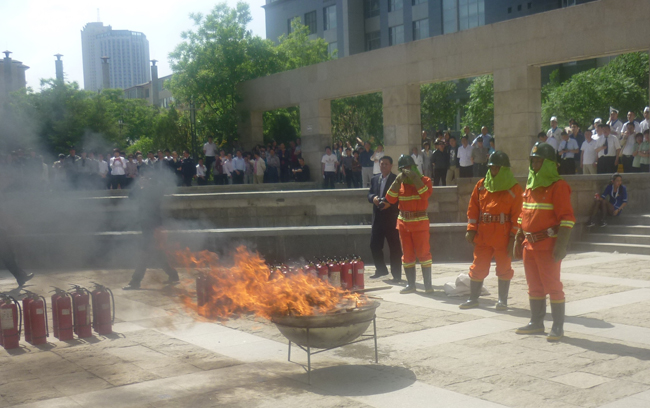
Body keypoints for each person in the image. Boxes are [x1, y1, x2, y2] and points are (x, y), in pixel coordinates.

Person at [513, 142, 575, 342]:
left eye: (539, 160)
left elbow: (567, 219)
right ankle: (536, 322)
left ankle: (557, 326)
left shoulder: (559, 187)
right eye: (533, 160)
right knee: (534, 285)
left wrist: (561, 245)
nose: (535, 164)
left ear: (549, 163)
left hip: (548, 245)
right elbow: (523, 214)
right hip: (529, 245)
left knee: (552, 285)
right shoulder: (530, 185)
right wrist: (518, 236)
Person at [461, 151, 522, 310]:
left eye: (496, 168)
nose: (493, 171)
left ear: (504, 169)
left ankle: (502, 301)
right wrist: (471, 229)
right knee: (478, 266)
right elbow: (473, 209)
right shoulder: (481, 185)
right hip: (483, 233)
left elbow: (518, 215)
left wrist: (513, 238)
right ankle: (473, 299)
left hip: (503, 234)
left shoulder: (514, 188)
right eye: (491, 168)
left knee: (504, 268)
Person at [384, 155, 433, 294]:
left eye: (408, 168)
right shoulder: (400, 183)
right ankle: (411, 285)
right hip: (404, 224)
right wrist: (396, 181)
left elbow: (425, 194)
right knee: (407, 256)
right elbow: (389, 199)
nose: (406, 171)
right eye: (403, 169)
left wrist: (416, 179)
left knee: (424, 254)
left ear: (414, 168)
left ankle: (428, 285)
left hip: (420, 224)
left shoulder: (425, 180)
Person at [123, 176, 180, 290]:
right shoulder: (142, 190)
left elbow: (160, 189)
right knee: (159, 254)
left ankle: (135, 281)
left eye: (146, 180)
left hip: (155, 228)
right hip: (146, 226)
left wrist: (149, 184)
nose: (144, 181)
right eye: (142, 179)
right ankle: (173, 275)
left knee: (144, 254)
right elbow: (131, 196)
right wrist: (139, 185)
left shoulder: (155, 191)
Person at [367, 156, 402, 283]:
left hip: (391, 219)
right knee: (374, 245)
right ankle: (381, 269)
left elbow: (400, 197)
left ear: (391, 165)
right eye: (382, 164)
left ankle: (397, 275)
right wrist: (374, 198)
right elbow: (369, 194)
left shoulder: (396, 179)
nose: (383, 166)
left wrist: (390, 204)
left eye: (386, 164)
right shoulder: (375, 178)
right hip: (378, 219)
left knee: (395, 248)